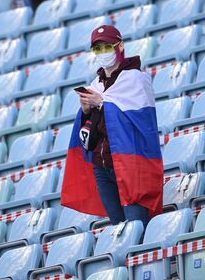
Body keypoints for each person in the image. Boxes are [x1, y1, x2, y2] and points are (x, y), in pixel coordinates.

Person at [61, 25, 163, 228]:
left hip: (131, 166)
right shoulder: (95, 84)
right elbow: (91, 134)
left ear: (120, 46)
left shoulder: (136, 79)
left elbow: (141, 126)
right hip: (103, 167)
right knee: (120, 229)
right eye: (97, 49)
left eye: (107, 46)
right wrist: (86, 112)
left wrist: (102, 103)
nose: (102, 52)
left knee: (136, 228)